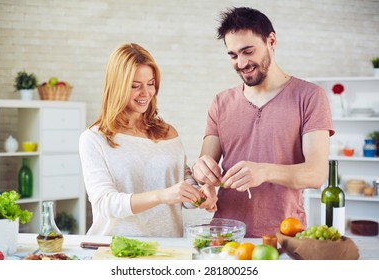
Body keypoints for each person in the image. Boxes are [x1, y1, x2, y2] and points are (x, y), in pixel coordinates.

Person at [192, 7, 334, 237]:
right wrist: (203, 178)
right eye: (233, 55)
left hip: (286, 234)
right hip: (225, 233)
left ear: (271, 41)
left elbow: (316, 174)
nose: (241, 62)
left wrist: (264, 172)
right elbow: (205, 166)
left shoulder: (309, 96)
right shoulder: (221, 102)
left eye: (248, 51)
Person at [79, 43, 216, 237]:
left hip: (168, 248)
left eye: (150, 83)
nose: (146, 93)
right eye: (135, 86)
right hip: (114, 249)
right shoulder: (94, 139)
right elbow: (104, 203)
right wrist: (162, 196)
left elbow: (182, 184)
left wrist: (201, 194)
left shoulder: (168, 133)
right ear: (117, 86)